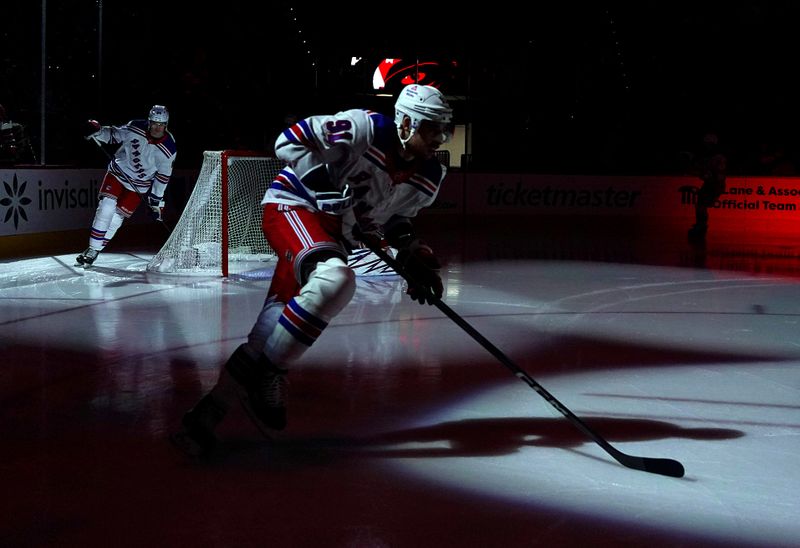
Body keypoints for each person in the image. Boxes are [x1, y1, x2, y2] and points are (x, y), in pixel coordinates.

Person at [171, 84, 453, 456]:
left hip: (334, 236)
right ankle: (270, 373)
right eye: (433, 127)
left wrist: (410, 252)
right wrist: (322, 184)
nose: (440, 138)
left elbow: (397, 219)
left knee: (272, 335)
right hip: (295, 205)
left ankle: (205, 416)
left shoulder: (429, 174)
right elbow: (288, 141)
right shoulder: (362, 128)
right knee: (336, 279)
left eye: (443, 129)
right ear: (406, 123)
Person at [76, 105, 177, 267]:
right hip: (118, 173)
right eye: (155, 123)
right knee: (106, 207)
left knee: (116, 218)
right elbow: (113, 134)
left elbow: (162, 177)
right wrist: (97, 131)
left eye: (162, 125)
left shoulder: (169, 149)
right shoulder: (135, 127)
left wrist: (156, 204)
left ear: (166, 125)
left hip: (140, 185)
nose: (158, 128)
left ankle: (95, 250)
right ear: (149, 122)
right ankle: (92, 249)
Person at [688, 132, 727, 242]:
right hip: (711, 183)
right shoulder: (711, 157)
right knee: (701, 204)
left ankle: (701, 226)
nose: (706, 146)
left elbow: (717, 172)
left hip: (714, 184)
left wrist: (707, 175)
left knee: (701, 204)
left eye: (708, 144)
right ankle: (701, 225)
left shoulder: (718, 157)